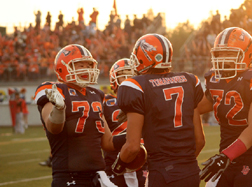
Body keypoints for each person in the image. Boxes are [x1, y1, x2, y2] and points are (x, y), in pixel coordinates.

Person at [112, 34, 205, 187]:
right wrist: (182, 167)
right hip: (191, 172)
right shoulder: (189, 80)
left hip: (162, 173)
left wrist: (118, 166)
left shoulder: (136, 85)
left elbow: (132, 146)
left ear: (145, 57)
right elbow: (200, 140)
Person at [34, 44, 127, 187]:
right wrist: (59, 109)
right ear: (62, 68)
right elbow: (53, 127)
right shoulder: (53, 89)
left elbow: (108, 142)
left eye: (89, 65)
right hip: (69, 177)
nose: (86, 69)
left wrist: (137, 131)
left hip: (98, 177)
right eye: (80, 65)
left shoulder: (96, 94)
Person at [197, 27, 252, 187]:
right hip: (224, 161)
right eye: (220, 53)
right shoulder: (216, 81)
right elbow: (193, 108)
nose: (222, 58)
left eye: (229, 53)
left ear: (246, 54)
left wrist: (226, 156)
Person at [104, 58, 147, 187]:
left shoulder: (146, 100)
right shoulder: (104, 102)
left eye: (133, 75)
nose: (129, 78)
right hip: (114, 161)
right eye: (124, 76)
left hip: (144, 161)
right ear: (114, 79)